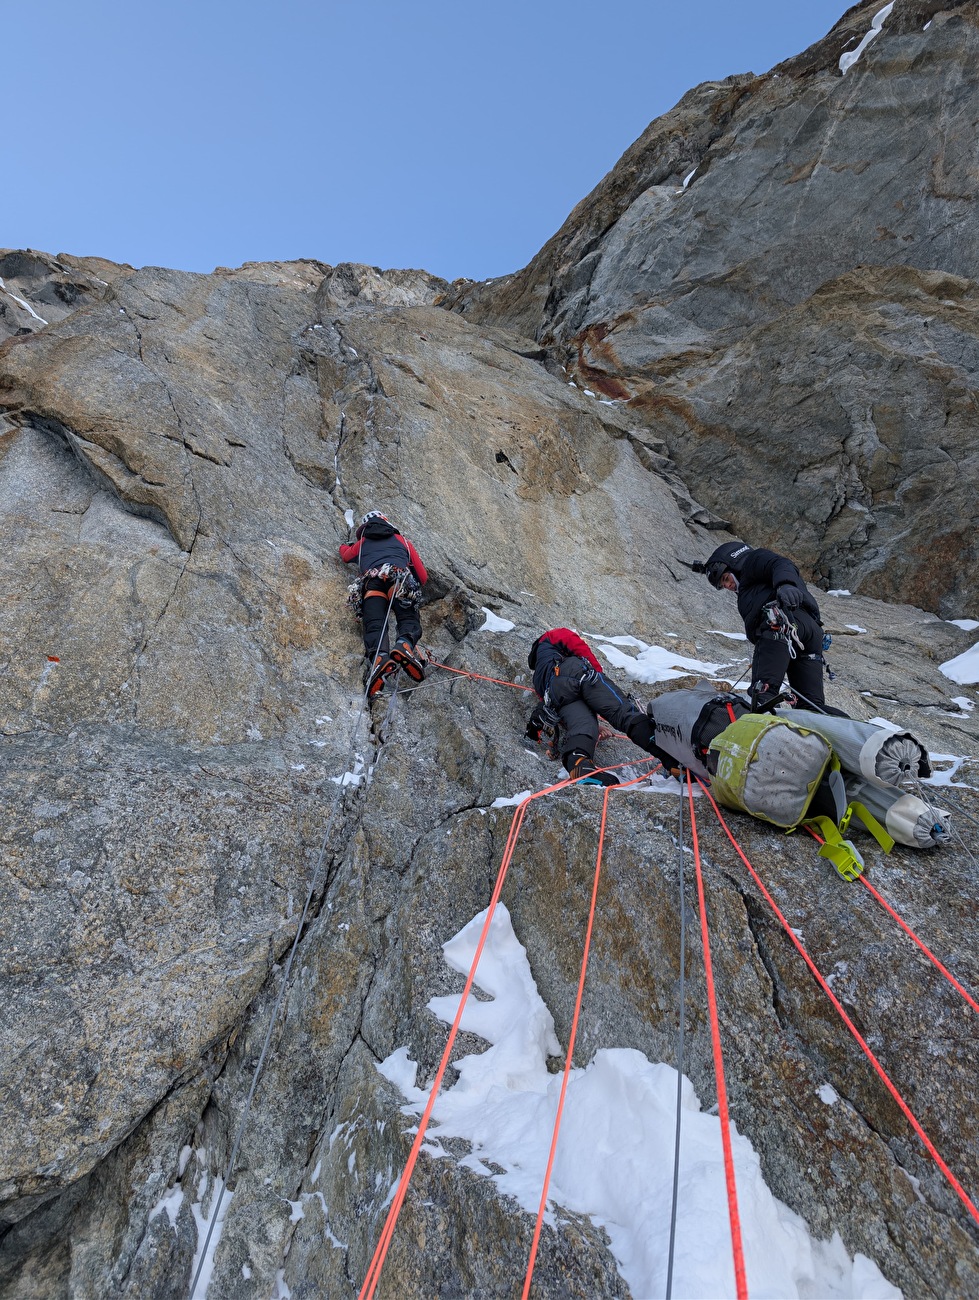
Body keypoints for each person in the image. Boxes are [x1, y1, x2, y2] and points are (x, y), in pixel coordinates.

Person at [694, 540, 839, 713]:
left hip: (781, 628)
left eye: (726, 578)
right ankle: (858, 734)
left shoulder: (753, 560)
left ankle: (758, 725)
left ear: (734, 564)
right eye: (722, 585)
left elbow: (780, 563)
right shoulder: (750, 584)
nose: (727, 586)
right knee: (812, 706)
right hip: (809, 632)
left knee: (762, 696)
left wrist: (785, 584)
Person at [526, 628, 657, 786]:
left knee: (584, 725)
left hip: (556, 695)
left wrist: (595, 727)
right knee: (621, 711)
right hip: (574, 672)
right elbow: (578, 646)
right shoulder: (550, 636)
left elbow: (562, 710)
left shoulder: (538, 680)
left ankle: (580, 765)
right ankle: (669, 754)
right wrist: (599, 677)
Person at [340, 511, 427, 697]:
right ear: (386, 522)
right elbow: (423, 576)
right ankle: (404, 644)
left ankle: (380, 658)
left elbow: (346, 556)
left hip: (371, 582)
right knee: (408, 617)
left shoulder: (362, 543)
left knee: (375, 625)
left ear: (363, 529)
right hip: (398, 578)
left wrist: (344, 546)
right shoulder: (402, 541)